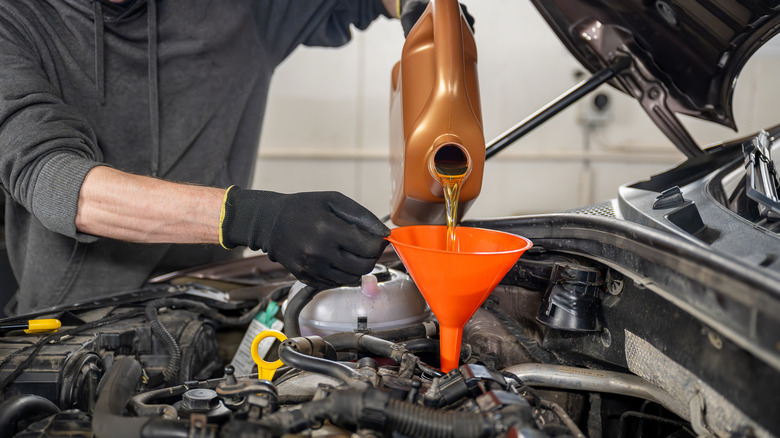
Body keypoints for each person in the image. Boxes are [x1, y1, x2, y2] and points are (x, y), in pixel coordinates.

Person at [0, 0, 418, 313]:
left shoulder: (238, 9)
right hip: (66, 334)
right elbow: (56, 181)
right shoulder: (12, 22)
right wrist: (259, 219)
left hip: (212, 313)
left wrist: (425, 14)